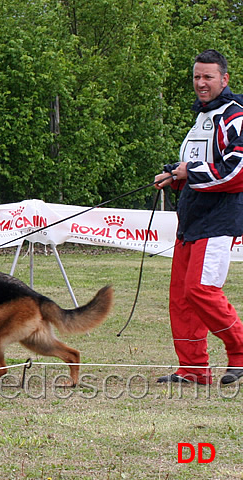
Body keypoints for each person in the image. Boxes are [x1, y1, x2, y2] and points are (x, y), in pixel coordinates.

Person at [154, 49, 243, 386]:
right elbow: (200, 167)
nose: (201, 83)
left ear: (225, 79)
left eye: (208, 77)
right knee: (181, 295)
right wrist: (175, 176)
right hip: (190, 220)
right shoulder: (202, 118)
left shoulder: (235, 117)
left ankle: (240, 353)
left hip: (218, 220)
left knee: (201, 290)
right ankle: (193, 368)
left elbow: (236, 171)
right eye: (197, 77)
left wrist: (187, 172)